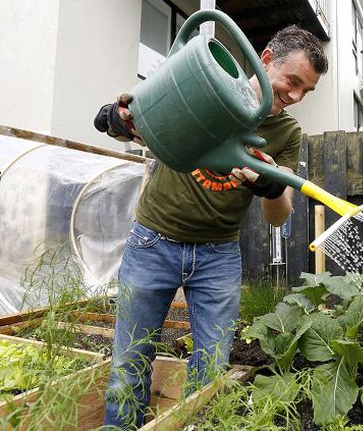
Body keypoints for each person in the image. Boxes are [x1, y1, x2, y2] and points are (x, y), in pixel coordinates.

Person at [95, 25, 328, 429]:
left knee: (211, 370)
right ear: (266, 59)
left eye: (306, 91)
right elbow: (137, 118)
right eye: (293, 82)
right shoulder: (207, 81)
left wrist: (272, 187)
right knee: (129, 360)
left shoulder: (286, 132)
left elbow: (280, 215)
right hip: (153, 243)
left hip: (217, 257)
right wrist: (118, 119)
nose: (295, 97)